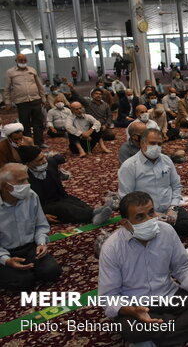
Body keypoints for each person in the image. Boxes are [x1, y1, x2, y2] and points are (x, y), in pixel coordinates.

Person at [98, 191, 188, 346]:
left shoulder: (166, 231)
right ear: (125, 223)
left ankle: (159, 335)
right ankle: (176, 328)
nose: (149, 220)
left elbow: (182, 267)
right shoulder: (112, 248)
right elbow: (108, 296)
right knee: (133, 330)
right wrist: (131, 310)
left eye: (151, 212)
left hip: (169, 294)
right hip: (136, 305)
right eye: (140, 217)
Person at [118, 129, 188, 236]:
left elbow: (176, 186)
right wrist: (151, 214)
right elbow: (126, 198)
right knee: (146, 232)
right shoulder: (129, 166)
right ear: (142, 143)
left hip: (168, 209)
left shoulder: (167, 160)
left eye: (159, 144)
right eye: (152, 143)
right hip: (145, 213)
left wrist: (173, 208)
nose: (156, 147)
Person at [0, 163, 61, 291]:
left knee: (51, 271)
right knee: (23, 282)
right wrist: (6, 260)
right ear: (6, 186)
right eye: (21, 181)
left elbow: (41, 225)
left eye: (27, 179)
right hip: (5, 252)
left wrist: (41, 242)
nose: (27, 184)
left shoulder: (31, 196)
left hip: (29, 247)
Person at [18, 145, 112, 224]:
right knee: (63, 208)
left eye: (44, 157)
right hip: (43, 205)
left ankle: (94, 212)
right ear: (28, 164)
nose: (44, 161)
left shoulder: (50, 163)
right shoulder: (23, 178)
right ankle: (93, 217)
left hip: (59, 197)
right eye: (39, 160)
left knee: (74, 201)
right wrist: (40, 217)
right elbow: (24, 205)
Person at [4, 54, 47, 148]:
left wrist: (43, 98)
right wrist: (7, 102)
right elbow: (7, 88)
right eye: (21, 60)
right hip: (21, 102)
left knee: (38, 122)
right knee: (25, 123)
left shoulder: (32, 70)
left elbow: (39, 85)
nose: (23, 61)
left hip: (35, 99)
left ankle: (39, 142)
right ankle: (29, 143)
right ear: (16, 60)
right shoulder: (10, 72)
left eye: (24, 60)